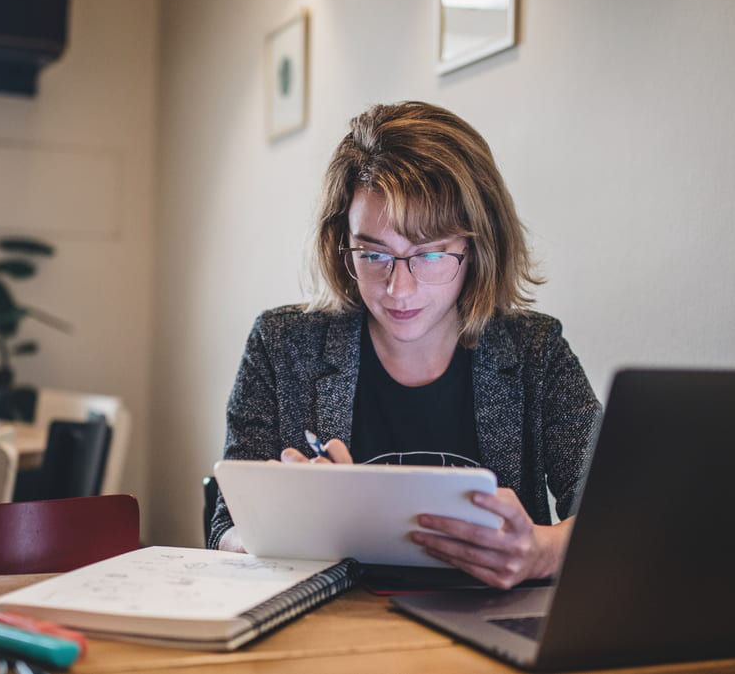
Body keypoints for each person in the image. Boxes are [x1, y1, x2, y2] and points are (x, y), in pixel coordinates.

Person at [209, 101, 601, 589]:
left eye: (430, 253)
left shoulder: (534, 353)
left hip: (490, 629)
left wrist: (542, 552)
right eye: (373, 254)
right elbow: (224, 529)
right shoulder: (283, 345)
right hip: (332, 633)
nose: (399, 288)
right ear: (342, 242)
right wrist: (294, 526)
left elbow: (621, 517)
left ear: (477, 247)